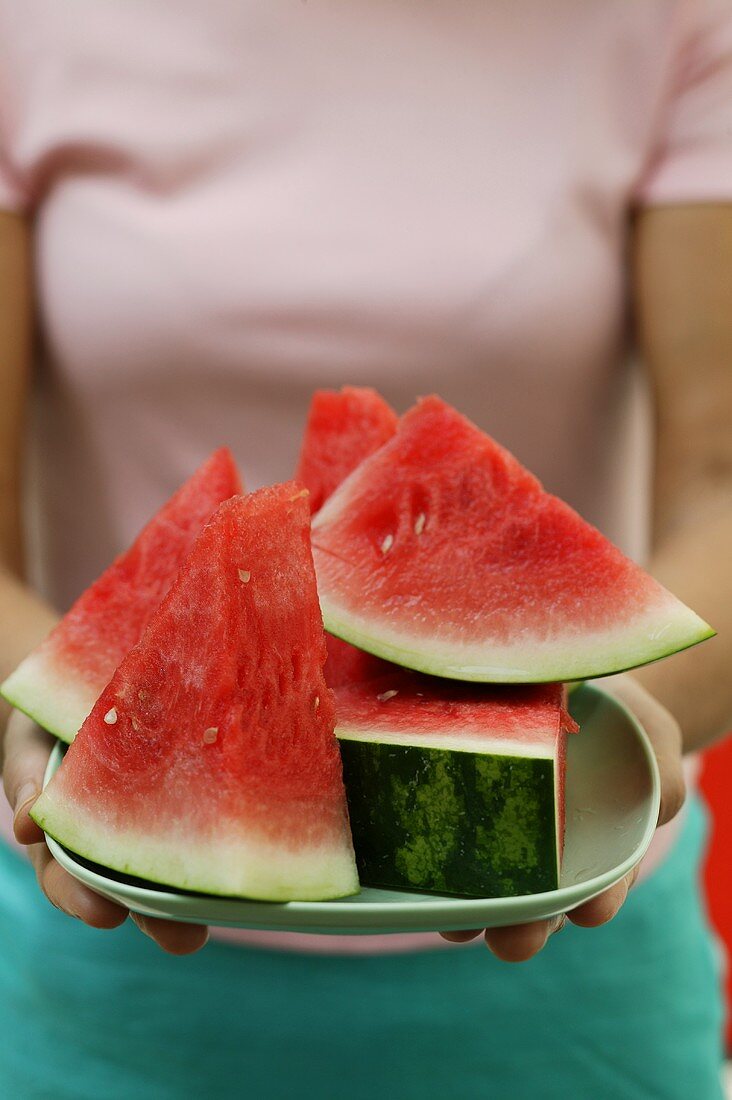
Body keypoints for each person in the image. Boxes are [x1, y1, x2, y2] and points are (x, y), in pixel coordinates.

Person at [1, 2, 731, 1097]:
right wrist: (54, 715)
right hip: (105, 964)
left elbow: (724, 476)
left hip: (574, 969)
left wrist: (600, 718)